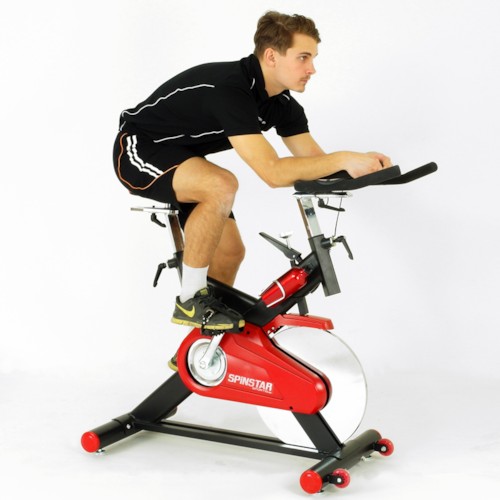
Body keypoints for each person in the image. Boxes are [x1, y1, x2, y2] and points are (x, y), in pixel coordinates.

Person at [113, 11, 391, 359]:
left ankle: (199, 349)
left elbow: (314, 164)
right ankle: (190, 301)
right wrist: (343, 158)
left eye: (314, 58)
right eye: (303, 57)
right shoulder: (230, 89)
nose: (312, 69)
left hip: (184, 159)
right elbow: (272, 173)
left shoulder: (283, 106)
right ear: (271, 56)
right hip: (139, 148)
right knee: (221, 183)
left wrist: (362, 166)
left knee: (231, 252)